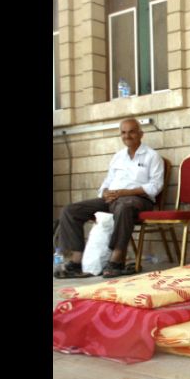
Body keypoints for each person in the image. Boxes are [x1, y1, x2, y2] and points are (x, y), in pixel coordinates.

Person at [55, 118, 164, 279]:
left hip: (138, 200)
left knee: (124, 206)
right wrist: (105, 192)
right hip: (113, 199)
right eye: (123, 132)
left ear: (141, 134)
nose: (127, 136)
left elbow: (155, 186)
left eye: (132, 131)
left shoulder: (152, 156)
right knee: (70, 210)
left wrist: (124, 193)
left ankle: (116, 261)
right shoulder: (118, 156)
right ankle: (76, 263)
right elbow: (107, 181)